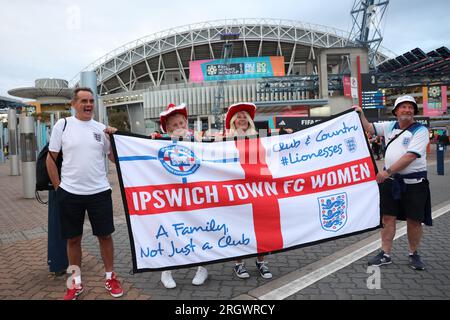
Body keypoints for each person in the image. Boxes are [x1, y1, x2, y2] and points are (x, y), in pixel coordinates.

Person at [47, 87, 124, 300]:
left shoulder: (101, 129)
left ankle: (110, 277)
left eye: (91, 100)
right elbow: (50, 159)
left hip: (99, 192)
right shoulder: (62, 125)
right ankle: (75, 283)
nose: (88, 104)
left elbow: (112, 158)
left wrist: (117, 140)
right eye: (83, 101)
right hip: (70, 193)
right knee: (73, 240)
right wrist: (59, 188)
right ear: (73, 104)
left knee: (105, 236)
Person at [354, 95, 431, 271]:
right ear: (396, 111)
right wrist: (360, 113)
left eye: (410, 107)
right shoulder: (389, 126)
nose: (407, 110)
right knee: (387, 218)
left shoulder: (420, 130)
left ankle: (414, 254)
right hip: (390, 183)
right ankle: (385, 253)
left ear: (414, 112)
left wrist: (386, 172)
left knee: (414, 220)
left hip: (414, 183)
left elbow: (410, 156)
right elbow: (369, 128)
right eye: (403, 107)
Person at [155, 102, 208, 289]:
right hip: (173, 195)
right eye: (174, 125)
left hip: (196, 194)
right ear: (168, 128)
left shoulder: (199, 140)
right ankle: (166, 270)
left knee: (200, 230)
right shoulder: (159, 142)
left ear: (187, 123)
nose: (179, 128)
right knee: (171, 230)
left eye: (181, 124)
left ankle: (202, 267)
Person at [224, 102, 273, 279]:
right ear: (233, 122)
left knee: (261, 226)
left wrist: (287, 135)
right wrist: (158, 136)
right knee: (239, 226)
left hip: (258, 188)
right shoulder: (224, 139)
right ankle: (239, 264)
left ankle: (261, 263)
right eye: (239, 117)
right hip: (237, 190)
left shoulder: (260, 136)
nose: (242, 119)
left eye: (245, 116)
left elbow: (276, 150)